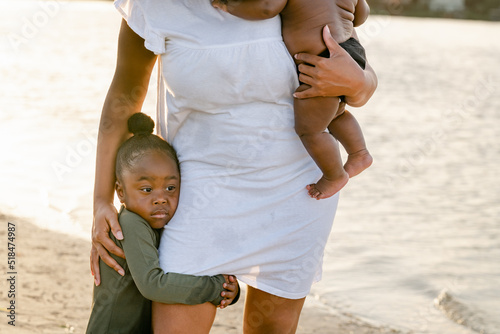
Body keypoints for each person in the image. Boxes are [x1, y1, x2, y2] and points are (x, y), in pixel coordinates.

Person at [91, 0, 377, 333]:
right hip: (195, 199)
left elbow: (353, 64)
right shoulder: (154, 5)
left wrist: (361, 85)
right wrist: (100, 200)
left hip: (297, 196)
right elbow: (124, 96)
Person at [86, 113, 240, 333]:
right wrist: (215, 287)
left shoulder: (154, 223)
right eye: (147, 190)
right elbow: (153, 284)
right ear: (121, 192)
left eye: (170, 188)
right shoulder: (129, 224)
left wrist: (229, 289)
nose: (160, 198)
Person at [212, 0, 374, 199]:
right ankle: (359, 152)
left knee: (311, 129)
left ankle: (334, 175)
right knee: (335, 113)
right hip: (350, 51)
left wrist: (229, 6)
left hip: (321, 59)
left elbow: (266, 7)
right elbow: (361, 15)